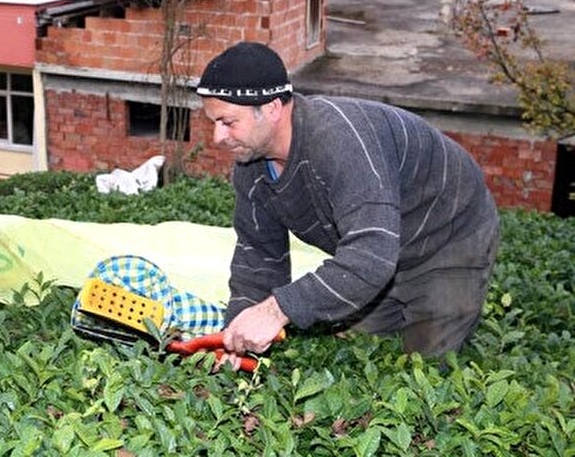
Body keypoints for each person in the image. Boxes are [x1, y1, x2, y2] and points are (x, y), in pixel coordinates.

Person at [196, 42, 499, 364]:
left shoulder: (339, 142)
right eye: (213, 122)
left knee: (424, 368)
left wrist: (277, 310)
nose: (217, 137)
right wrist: (237, 332)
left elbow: (369, 257)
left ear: (271, 109)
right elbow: (258, 254)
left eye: (228, 122)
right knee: (362, 349)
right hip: (381, 245)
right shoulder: (251, 166)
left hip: (447, 234)